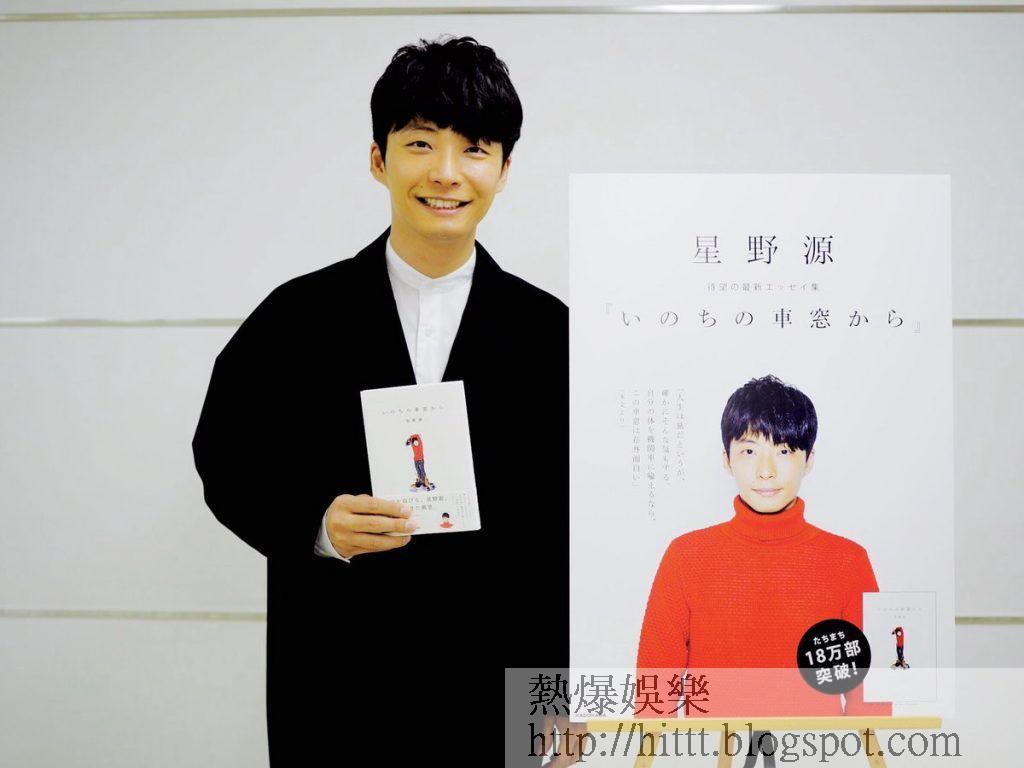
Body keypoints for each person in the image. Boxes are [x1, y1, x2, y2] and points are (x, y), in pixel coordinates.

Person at [191, 35, 571, 765]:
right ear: (378, 158)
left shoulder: (552, 332)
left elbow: (571, 538)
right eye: (420, 143)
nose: (446, 173)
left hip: (498, 688)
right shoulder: (296, 317)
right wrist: (315, 524)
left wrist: (556, 702)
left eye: (475, 149)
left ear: (504, 170)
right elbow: (226, 455)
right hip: (339, 678)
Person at [635, 374, 891, 724]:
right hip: (716, 751)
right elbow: (653, 698)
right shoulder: (686, 557)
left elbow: (871, 701)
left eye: (784, 451)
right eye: (749, 451)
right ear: (727, 460)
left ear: (809, 460)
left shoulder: (848, 561)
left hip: (816, 751)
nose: (766, 471)